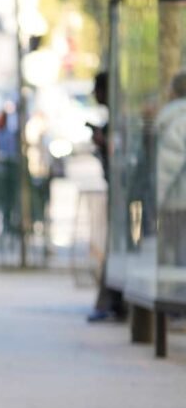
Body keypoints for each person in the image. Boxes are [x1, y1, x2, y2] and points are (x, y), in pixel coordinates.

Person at [87, 71, 127, 322]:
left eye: (97, 89)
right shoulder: (116, 115)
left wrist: (104, 142)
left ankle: (115, 301)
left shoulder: (121, 116)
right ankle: (112, 300)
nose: (94, 95)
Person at [155, 71, 186, 267]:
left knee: (174, 252)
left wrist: (157, 198)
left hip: (177, 201)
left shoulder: (176, 119)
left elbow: (168, 164)